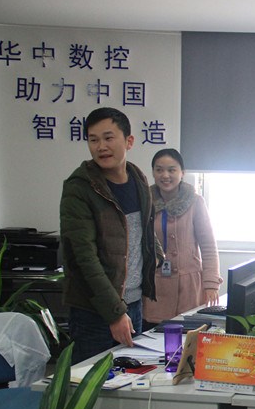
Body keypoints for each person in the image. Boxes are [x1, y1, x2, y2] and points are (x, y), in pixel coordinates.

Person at [60, 107, 160, 363]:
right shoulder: (79, 188)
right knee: (93, 383)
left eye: (108, 138)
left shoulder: (138, 179)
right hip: (94, 311)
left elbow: (144, 229)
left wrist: (157, 255)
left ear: (129, 141)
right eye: (93, 140)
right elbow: (85, 258)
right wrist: (114, 313)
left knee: (130, 380)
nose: (101, 147)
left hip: (133, 303)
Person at [143, 148, 222, 325]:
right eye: (159, 170)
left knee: (187, 334)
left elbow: (208, 246)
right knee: (154, 334)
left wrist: (211, 284)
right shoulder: (145, 202)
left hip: (188, 287)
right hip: (155, 286)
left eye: (171, 170)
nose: (165, 175)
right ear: (153, 173)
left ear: (182, 173)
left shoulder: (195, 202)